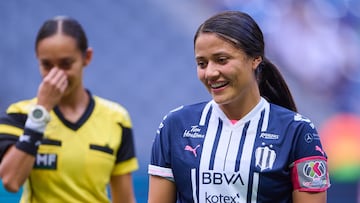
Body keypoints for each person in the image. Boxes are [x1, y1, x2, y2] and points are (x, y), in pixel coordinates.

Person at [148, 10, 330, 203]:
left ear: (255, 59)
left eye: (221, 60)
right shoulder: (176, 125)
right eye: (202, 63)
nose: (210, 73)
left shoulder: (299, 131)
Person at [0, 16, 138, 203]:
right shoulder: (21, 114)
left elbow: (124, 199)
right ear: (37, 60)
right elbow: (11, 180)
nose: (56, 75)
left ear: (86, 58)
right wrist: (41, 113)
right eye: (47, 65)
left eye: (66, 64)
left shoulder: (116, 118)